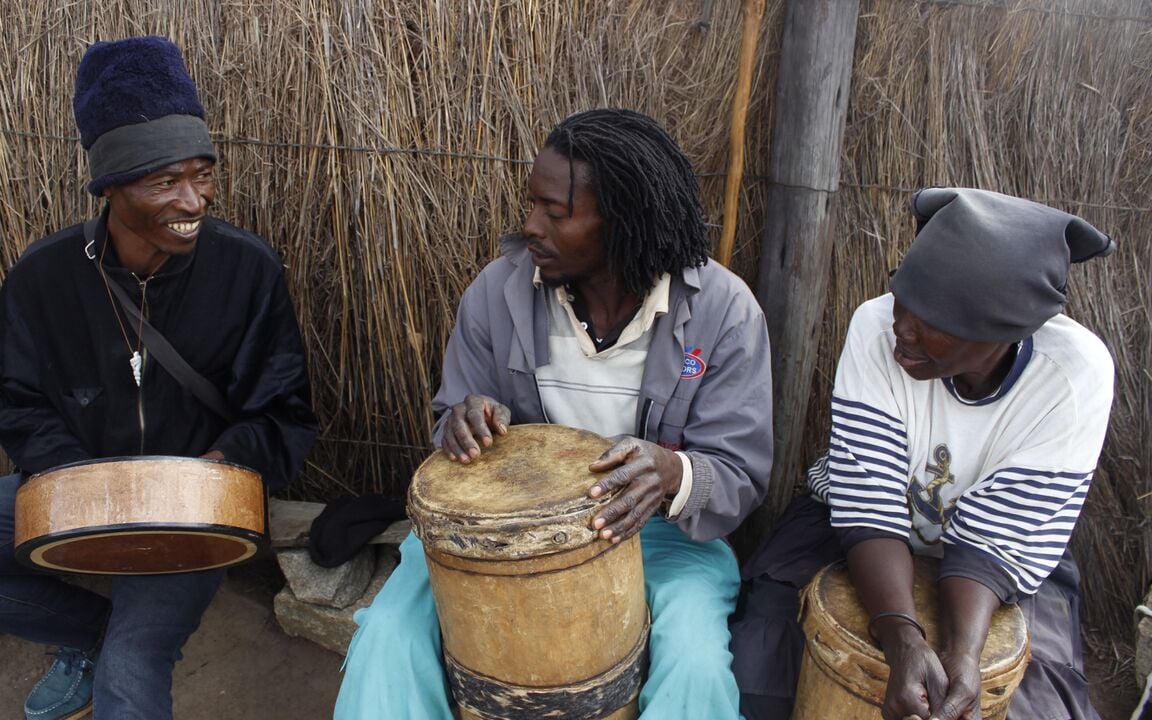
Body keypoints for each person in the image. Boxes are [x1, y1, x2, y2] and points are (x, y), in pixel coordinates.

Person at [0, 36, 319, 720]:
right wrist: (78, 483)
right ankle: (85, 636)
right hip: (72, 487)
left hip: (189, 507)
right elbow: (7, 392)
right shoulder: (44, 275)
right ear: (110, 187)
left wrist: (217, 467)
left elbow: (284, 407)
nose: (194, 200)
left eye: (203, 174)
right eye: (165, 181)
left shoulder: (248, 271)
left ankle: (114, 654)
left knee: (130, 681)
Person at [334, 108, 773, 719]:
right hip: (494, 538)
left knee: (693, 665)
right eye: (532, 205)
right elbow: (448, 432)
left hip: (656, 537)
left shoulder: (722, 312)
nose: (530, 226)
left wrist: (674, 476)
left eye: (556, 213)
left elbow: (740, 473)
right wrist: (464, 424)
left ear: (623, 222)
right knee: (388, 641)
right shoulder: (498, 293)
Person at [730, 187, 1116, 720]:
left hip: (1005, 558)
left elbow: (992, 545)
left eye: (934, 322)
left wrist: (964, 656)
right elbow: (868, 503)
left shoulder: (1073, 377)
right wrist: (902, 638)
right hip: (848, 525)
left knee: (1034, 698)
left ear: (1006, 331)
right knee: (761, 668)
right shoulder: (874, 325)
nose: (902, 329)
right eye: (901, 299)